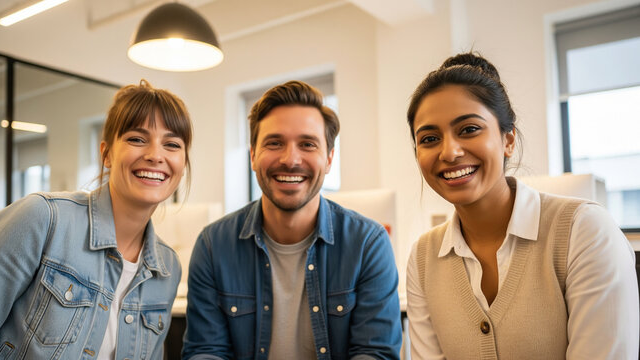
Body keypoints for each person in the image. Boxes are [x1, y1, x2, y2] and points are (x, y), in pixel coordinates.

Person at [404, 52, 639, 359]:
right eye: (430, 138)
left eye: (469, 129)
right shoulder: (423, 258)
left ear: (508, 140)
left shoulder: (584, 230)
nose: (449, 152)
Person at [182, 80, 402, 359]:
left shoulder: (368, 243)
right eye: (274, 143)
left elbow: (375, 354)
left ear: (329, 159)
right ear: (252, 155)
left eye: (307, 144)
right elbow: (206, 352)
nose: (290, 159)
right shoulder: (213, 245)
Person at [0, 80, 192, 359]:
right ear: (106, 153)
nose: (155, 155)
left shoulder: (167, 268)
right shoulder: (42, 219)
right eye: (136, 139)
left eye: (172, 144)